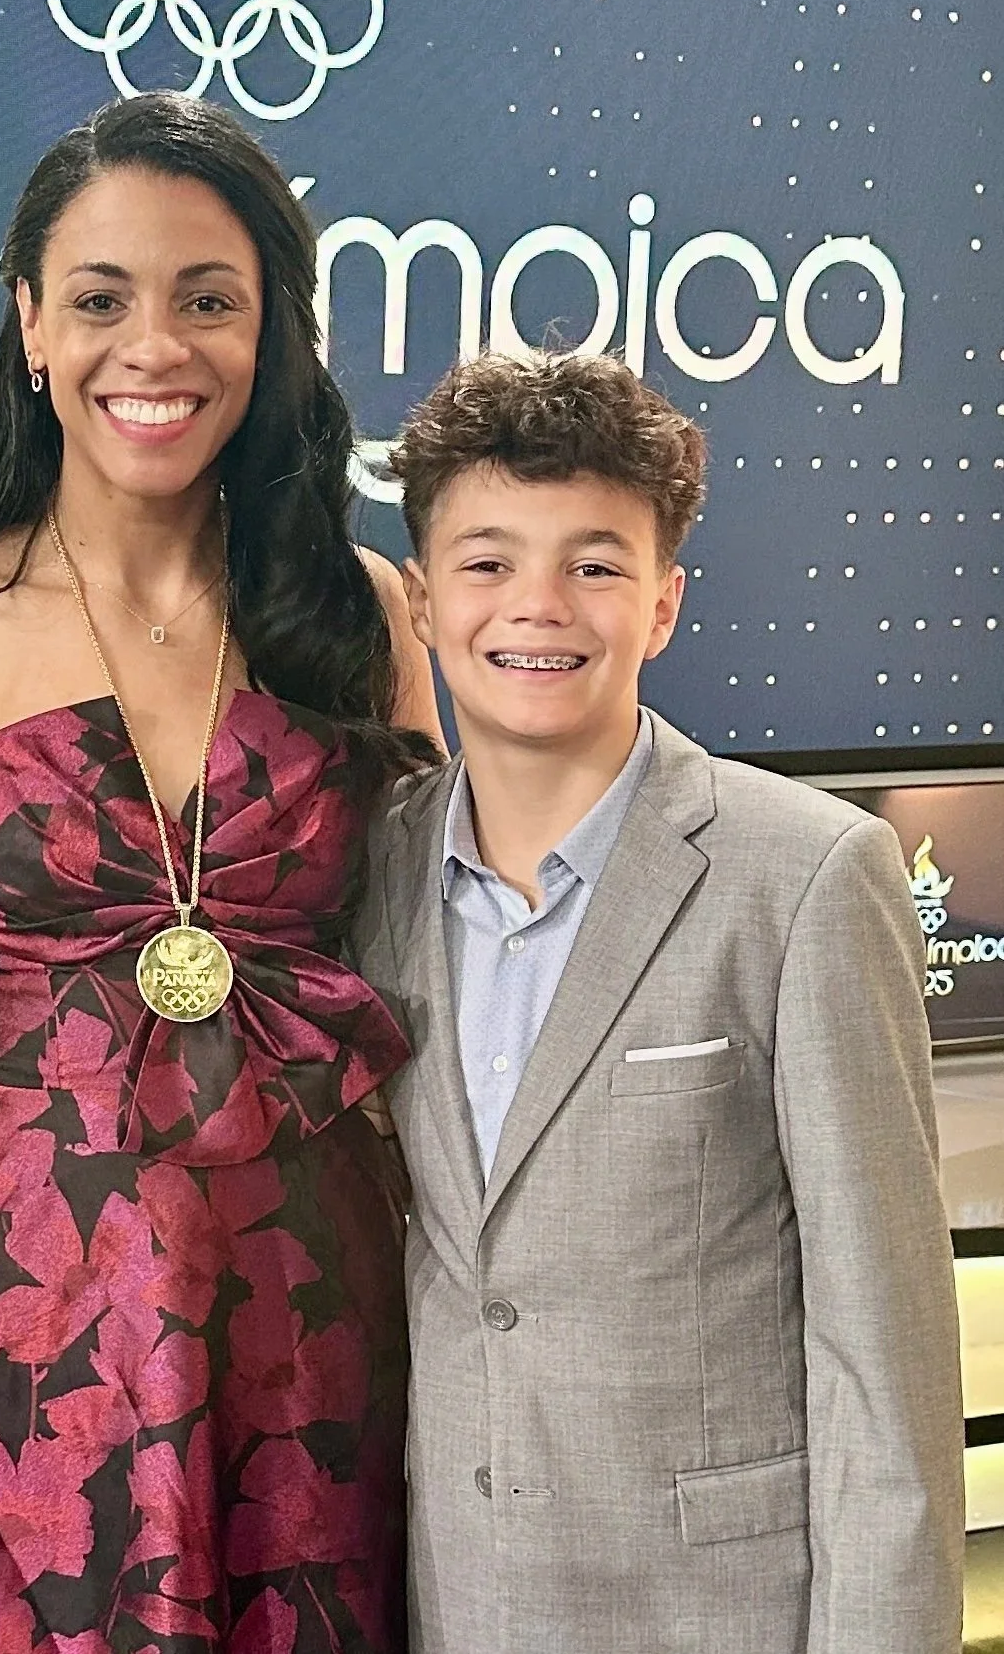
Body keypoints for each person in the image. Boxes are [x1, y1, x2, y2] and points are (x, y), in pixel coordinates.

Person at [0, 91, 445, 1654]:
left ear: (272, 328)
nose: (153, 346)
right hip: (10, 1346)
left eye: (207, 300)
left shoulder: (364, 613)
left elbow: (432, 983)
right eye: (99, 299)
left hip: (314, 1331)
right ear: (28, 322)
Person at [352, 349, 964, 1654]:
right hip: (459, 1598)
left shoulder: (804, 878)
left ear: (666, 602)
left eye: (595, 563)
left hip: (719, 1613)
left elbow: (887, 1357)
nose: (538, 605)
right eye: (487, 562)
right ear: (419, 600)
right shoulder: (374, 868)